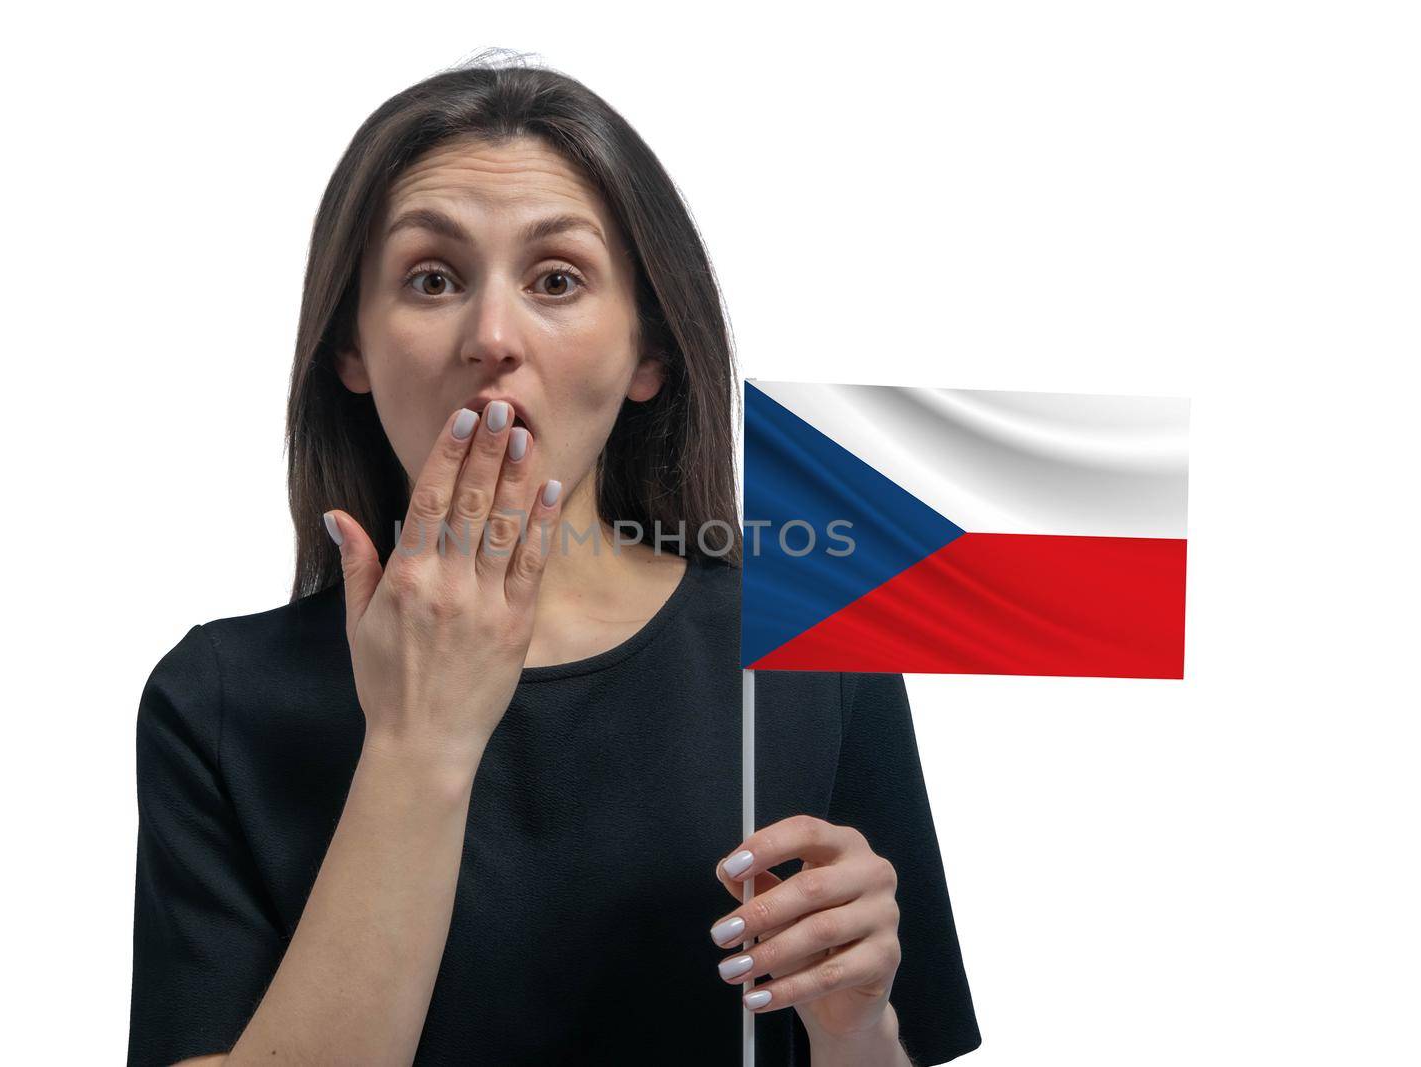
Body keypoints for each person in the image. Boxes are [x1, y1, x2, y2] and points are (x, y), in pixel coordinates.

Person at [128, 55, 981, 1067]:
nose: (492, 336)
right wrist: (418, 741)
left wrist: (856, 1023)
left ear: (647, 356)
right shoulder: (217, 697)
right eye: (432, 278)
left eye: (557, 280)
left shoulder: (805, 637)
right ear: (349, 347)